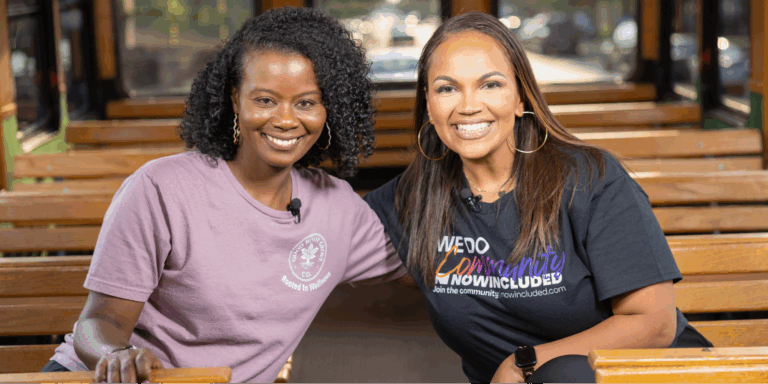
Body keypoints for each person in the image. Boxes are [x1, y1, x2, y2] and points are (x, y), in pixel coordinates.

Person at [42, 7, 405, 383]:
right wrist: (117, 356)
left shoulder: (338, 208)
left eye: (306, 103)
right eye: (265, 100)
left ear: (330, 109)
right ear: (235, 100)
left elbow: (430, 269)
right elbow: (97, 322)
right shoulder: (161, 188)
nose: (284, 119)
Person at [364, 12, 712, 384]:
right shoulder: (411, 200)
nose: (468, 105)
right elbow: (315, 222)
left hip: (648, 373)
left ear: (519, 98)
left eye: (490, 85)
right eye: (447, 88)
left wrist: (523, 362)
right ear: (429, 106)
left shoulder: (591, 179)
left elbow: (655, 324)